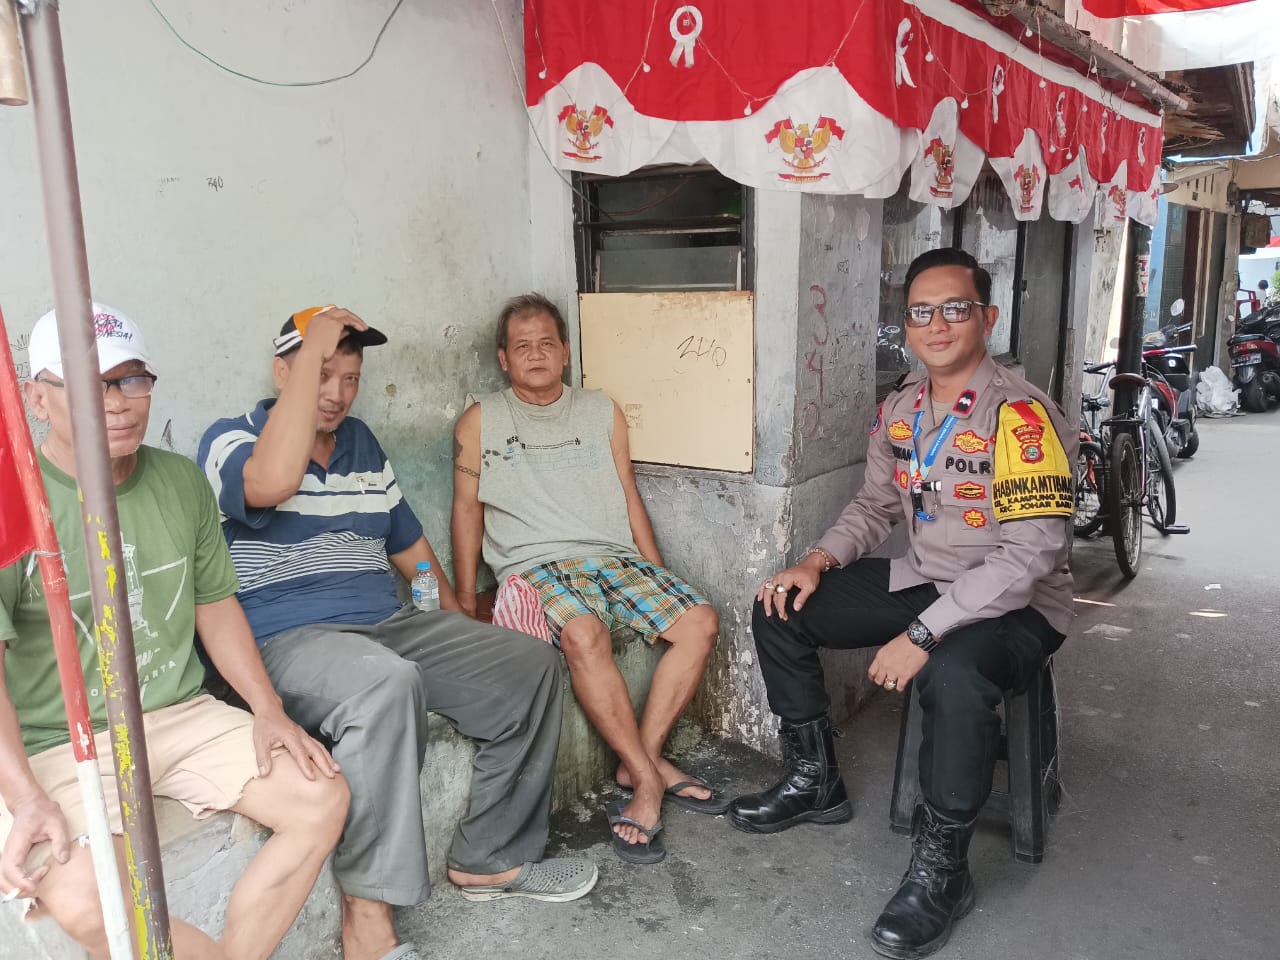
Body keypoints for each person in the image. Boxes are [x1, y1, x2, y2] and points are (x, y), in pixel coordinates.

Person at [198, 305, 595, 960]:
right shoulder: (231, 439)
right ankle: (367, 920)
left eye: (350, 378)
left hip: (388, 623)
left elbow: (410, 551)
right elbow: (269, 484)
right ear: (283, 374)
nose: (336, 394)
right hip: (290, 638)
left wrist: (459, 625)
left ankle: (490, 856)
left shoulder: (362, 444)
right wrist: (315, 345)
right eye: (320, 375)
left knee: (529, 666)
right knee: (386, 684)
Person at [728, 249, 1075, 960]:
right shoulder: (902, 409)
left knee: (952, 671)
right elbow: (875, 506)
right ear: (907, 325)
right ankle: (814, 779)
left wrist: (922, 634)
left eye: (955, 308)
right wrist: (816, 561)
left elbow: (1028, 557)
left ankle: (944, 869)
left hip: (1018, 606)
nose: (937, 324)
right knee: (780, 606)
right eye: (922, 312)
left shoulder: (1020, 418)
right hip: (926, 578)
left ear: (987, 317)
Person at [1, 304, 349, 960]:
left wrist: (267, 709)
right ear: (38, 399)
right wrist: (21, 795)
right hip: (63, 742)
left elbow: (214, 604)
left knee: (320, 797)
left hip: (178, 714)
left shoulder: (179, 481)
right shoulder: (10, 503)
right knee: (85, 898)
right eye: (90, 384)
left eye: (131, 379)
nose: (117, 402)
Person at [451, 293, 722, 866]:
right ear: (503, 358)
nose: (536, 354)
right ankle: (648, 780)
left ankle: (638, 761)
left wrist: (655, 567)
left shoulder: (602, 411)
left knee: (699, 621)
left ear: (566, 352)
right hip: (536, 564)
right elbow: (467, 510)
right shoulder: (482, 420)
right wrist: (467, 596)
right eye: (522, 346)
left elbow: (628, 493)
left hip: (613, 558)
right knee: (583, 634)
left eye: (546, 343)